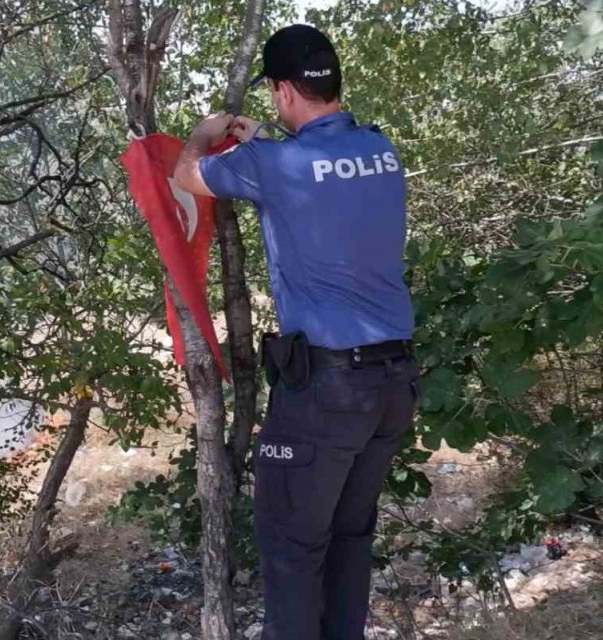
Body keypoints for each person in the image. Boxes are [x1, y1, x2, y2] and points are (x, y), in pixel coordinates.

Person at [172, 23, 419, 640]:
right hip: (393, 386)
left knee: (291, 547)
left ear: (282, 90)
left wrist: (206, 135)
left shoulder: (272, 163)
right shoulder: (380, 149)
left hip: (327, 392)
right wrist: (264, 142)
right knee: (348, 539)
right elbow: (323, 172)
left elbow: (188, 177)